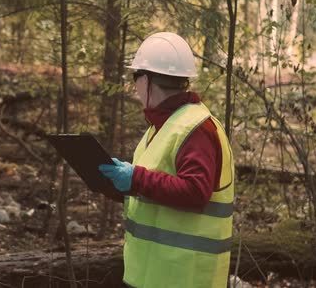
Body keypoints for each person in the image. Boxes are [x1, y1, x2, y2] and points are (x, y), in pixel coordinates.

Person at [98, 32, 234, 288]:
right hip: (153, 274)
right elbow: (156, 192)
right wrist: (123, 185)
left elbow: (195, 192)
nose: (135, 86)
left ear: (146, 80)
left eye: (135, 78)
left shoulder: (196, 129)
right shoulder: (163, 126)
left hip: (186, 277)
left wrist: (136, 178)